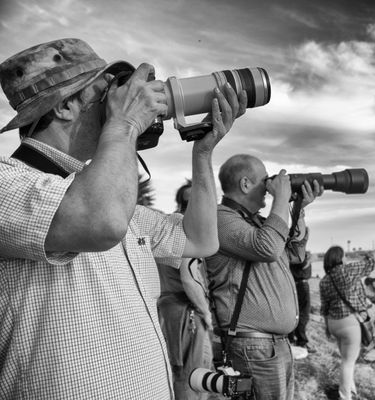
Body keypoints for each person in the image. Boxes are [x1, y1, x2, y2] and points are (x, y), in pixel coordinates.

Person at [0, 38, 245, 399]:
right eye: (107, 95)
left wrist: (203, 152)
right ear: (66, 106)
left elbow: (202, 240)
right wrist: (126, 122)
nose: (121, 103)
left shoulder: (115, 200)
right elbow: (101, 222)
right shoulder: (8, 182)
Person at [205, 154, 323, 400]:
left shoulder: (257, 223)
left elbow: (294, 254)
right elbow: (268, 248)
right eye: (264, 181)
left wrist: (297, 209)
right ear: (246, 184)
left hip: (274, 345)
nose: (269, 188)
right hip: (253, 347)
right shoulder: (220, 218)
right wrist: (280, 197)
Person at [157, 180, 214, 400]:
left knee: (179, 374)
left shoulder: (168, 226)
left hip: (169, 311)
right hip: (186, 313)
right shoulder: (187, 228)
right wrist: (206, 313)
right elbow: (189, 279)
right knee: (194, 378)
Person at [319, 238, 375, 400]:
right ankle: (345, 396)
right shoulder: (348, 270)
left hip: (334, 323)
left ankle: (350, 390)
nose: (346, 259)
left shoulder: (324, 281)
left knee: (346, 359)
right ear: (340, 258)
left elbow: (325, 307)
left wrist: (328, 327)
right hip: (349, 323)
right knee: (348, 362)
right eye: (344, 256)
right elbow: (369, 261)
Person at [288, 250, 315, 352]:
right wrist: (309, 259)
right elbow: (302, 264)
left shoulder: (291, 255)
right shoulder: (299, 255)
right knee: (303, 314)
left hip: (295, 285)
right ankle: (301, 341)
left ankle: (292, 339)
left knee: (295, 312)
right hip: (301, 285)